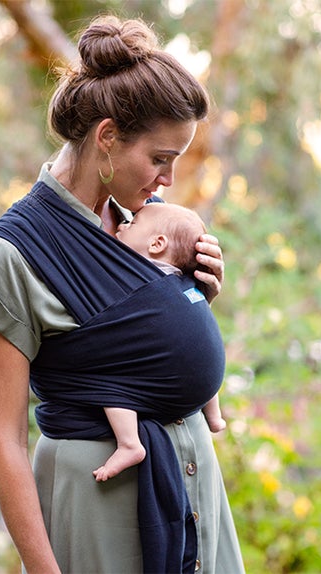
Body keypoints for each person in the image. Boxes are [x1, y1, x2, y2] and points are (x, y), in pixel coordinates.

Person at [0, 14, 245, 574]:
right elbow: (4, 441)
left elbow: (138, 351)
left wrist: (185, 306)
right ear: (109, 137)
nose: (168, 179)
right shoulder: (14, 254)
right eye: (160, 158)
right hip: (99, 507)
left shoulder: (150, 232)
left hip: (195, 485)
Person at [93, 202, 227, 482]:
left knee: (112, 382)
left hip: (164, 361)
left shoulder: (133, 277)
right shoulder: (185, 283)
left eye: (132, 224)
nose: (121, 226)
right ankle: (214, 416)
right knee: (195, 350)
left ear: (156, 244)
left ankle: (129, 443)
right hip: (205, 370)